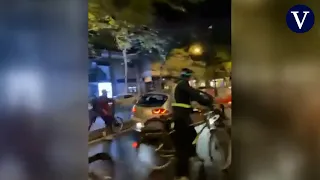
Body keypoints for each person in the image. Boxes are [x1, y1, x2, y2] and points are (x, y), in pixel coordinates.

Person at [172, 68, 213, 180]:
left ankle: (192, 158)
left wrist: (198, 104)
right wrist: (207, 101)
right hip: (181, 118)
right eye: (191, 76)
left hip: (182, 117)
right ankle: (181, 175)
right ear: (189, 76)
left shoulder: (181, 85)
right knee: (183, 145)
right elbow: (195, 95)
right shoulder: (183, 85)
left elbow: (192, 96)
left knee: (192, 136)